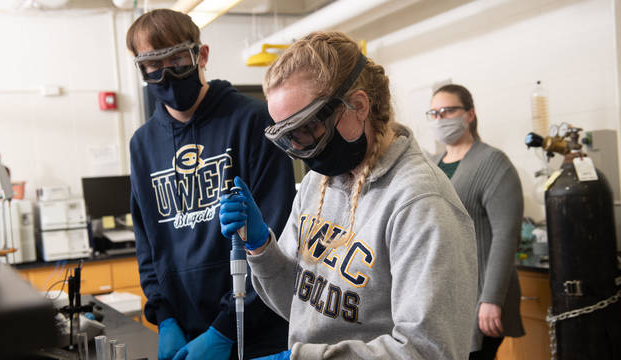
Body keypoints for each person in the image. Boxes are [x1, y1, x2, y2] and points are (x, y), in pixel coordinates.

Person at [219, 31, 478, 359]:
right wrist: (261, 248)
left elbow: (430, 350)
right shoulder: (319, 183)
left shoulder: (420, 202)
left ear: (357, 106)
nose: (299, 149)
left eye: (308, 129)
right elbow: (298, 306)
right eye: (287, 137)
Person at [126, 9, 296, 360]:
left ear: (201, 55)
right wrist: (165, 316)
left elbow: (276, 231)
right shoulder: (142, 144)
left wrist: (225, 329)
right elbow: (147, 242)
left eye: (176, 58)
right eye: (152, 65)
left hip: (257, 331)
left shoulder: (252, 121)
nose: (167, 73)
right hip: (185, 332)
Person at [426, 84, 525, 359]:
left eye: (447, 111)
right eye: (433, 113)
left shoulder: (493, 163)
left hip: (480, 296)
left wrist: (491, 300)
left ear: (469, 115)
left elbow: (506, 235)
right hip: (445, 296)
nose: (439, 119)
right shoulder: (431, 164)